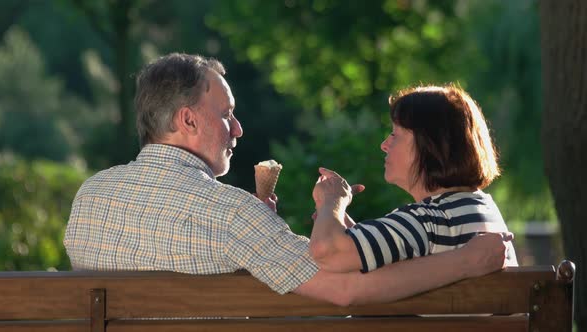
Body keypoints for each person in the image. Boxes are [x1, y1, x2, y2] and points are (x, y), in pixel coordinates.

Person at [64, 53, 512, 306]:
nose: (238, 129)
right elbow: (344, 286)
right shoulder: (232, 214)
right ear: (188, 120)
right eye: (227, 115)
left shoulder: (89, 196)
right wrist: (469, 262)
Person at [310, 85, 518, 274]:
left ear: (430, 145)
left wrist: (333, 201)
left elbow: (327, 252)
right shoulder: (482, 208)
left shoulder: (428, 220)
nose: (384, 144)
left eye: (395, 134)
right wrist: (337, 219)